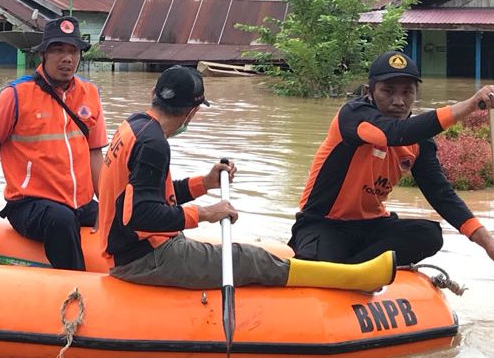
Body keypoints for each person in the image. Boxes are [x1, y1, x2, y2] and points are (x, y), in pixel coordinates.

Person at [99, 65, 395, 291]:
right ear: (191, 111)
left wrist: (205, 182)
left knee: (251, 253)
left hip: (130, 250)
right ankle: (353, 279)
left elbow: (151, 195)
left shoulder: (135, 125)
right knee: (249, 258)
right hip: (144, 259)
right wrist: (206, 213)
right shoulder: (154, 144)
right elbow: (142, 215)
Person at [288, 51, 494, 276]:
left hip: (372, 227)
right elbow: (392, 134)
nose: (398, 101)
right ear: (369, 92)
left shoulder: (419, 141)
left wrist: (488, 243)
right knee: (319, 266)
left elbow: (441, 194)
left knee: (429, 235)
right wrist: (471, 104)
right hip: (324, 223)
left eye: (407, 92)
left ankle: (354, 271)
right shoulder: (353, 116)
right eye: (388, 91)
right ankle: (345, 271)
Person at [0, 16, 107, 270]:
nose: (67, 58)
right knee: (62, 220)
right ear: (43, 55)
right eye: (58, 50)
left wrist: (107, 205)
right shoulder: (16, 94)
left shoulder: (89, 93)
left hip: (80, 203)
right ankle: (76, 290)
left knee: (124, 216)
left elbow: (95, 155)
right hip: (29, 205)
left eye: (73, 51)